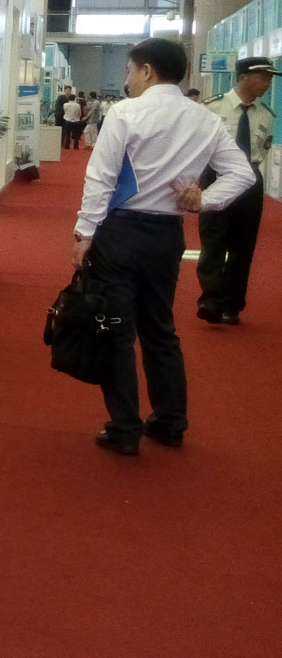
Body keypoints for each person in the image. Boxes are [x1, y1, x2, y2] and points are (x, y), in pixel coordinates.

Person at [74, 38, 255, 455]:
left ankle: (124, 428)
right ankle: (170, 422)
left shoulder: (125, 112)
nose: (128, 79)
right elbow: (243, 174)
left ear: (147, 71)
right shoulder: (206, 118)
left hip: (120, 231)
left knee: (116, 330)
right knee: (160, 329)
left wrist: (84, 233)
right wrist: (204, 200)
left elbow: (101, 178)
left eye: (130, 70)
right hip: (167, 235)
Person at [197, 57, 276, 325]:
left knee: (244, 246)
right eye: (262, 77)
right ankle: (211, 300)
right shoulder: (212, 107)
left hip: (250, 181)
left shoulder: (266, 115)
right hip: (216, 177)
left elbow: (262, 151)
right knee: (213, 240)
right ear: (243, 77)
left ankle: (232, 305)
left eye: (270, 78)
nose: (268, 83)